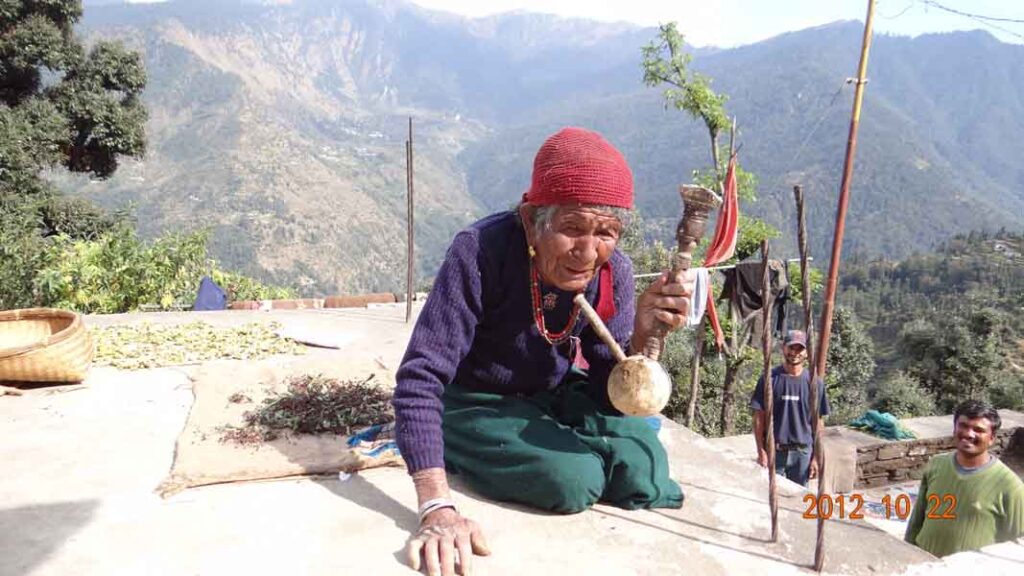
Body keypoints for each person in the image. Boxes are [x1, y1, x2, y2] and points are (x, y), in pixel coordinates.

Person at [392, 127, 696, 576]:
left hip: (552, 389)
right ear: (532, 219)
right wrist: (436, 506)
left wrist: (641, 340)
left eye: (606, 232)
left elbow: (606, 386)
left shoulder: (613, 271)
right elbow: (419, 378)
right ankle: (455, 441)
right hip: (475, 397)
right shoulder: (480, 251)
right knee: (573, 480)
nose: (587, 253)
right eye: (571, 228)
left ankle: (561, 444)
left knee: (644, 468)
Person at [904, 400, 1024, 557]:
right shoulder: (936, 464)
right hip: (923, 561)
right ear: (954, 429)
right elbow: (917, 518)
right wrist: (906, 550)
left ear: (992, 438)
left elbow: (1018, 545)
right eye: (963, 426)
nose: (968, 434)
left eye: (978, 430)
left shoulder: (1010, 486)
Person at [750, 329, 829, 487]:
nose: (795, 353)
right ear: (783, 348)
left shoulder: (815, 383)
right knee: (770, 494)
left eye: (800, 349)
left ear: (806, 352)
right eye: (791, 347)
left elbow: (818, 423)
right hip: (774, 451)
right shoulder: (769, 379)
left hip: (802, 454)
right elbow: (759, 418)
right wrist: (761, 450)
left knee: (799, 498)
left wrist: (816, 457)